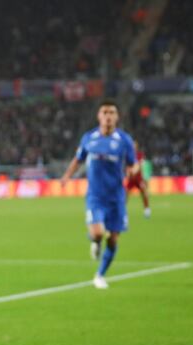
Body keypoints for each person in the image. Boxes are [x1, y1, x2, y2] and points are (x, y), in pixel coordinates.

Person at [60, 99, 138, 289]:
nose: (108, 116)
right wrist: (67, 176)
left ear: (117, 117)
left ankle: (100, 275)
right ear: (99, 116)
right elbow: (78, 159)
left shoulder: (124, 140)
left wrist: (133, 170)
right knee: (97, 233)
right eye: (105, 112)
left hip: (116, 197)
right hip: (95, 196)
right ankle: (95, 242)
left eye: (112, 112)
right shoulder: (89, 138)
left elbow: (133, 162)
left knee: (113, 238)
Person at [125, 141, 151, 218]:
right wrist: (128, 172)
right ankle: (123, 211)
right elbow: (127, 165)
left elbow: (141, 165)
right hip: (131, 179)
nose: (133, 147)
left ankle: (147, 210)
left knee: (144, 193)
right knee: (125, 195)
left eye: (134, 146)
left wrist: (145, 178)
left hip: (139, 179)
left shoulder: (140, 155)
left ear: (136, 146)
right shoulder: (128, 154)